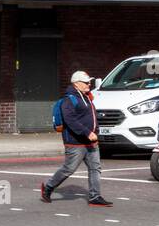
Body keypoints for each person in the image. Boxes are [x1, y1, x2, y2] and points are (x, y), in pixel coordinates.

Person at [42, 71, 111, 206]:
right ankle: (48, 187)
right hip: (75, 143)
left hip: (91, 142)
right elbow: (70, 120)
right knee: (69, 169)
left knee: (95, 168)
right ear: (76, 84)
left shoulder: (86, 97)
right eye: (86, 82)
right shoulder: (69, 99)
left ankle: (94, 197)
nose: (89, 84)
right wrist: (87, 133)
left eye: (89, 82)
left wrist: (95, 131)